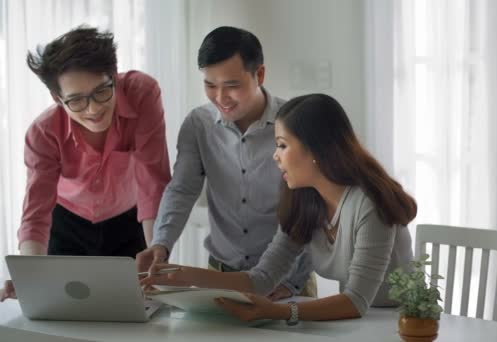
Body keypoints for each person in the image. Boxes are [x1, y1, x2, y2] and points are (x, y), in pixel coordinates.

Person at [141, 93, 417, 323]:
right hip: (353, 323)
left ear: (316, 151)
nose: (275, 156)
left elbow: (356, 301)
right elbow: (261, 279)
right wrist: (181, 276)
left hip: (402, 323)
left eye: (282, 146)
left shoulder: (368, 204)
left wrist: (281, 312)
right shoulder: (305, 201)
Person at [135, 26, 315, 300]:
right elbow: (182, 189)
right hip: (220, 276)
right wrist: (162, 243)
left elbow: (311, 205)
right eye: (210, 85)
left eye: (232, 86)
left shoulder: (295, 122)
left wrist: (292, 282)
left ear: (260, 75)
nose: (220, 98)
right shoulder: (198, 124)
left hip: (287, 281)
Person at [0, 26, 171, 301]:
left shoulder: (142, 93)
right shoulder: (43, 133)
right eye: (76, 101)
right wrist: (28, 275)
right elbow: (36, 210)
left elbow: (153, 179)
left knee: (137, 308)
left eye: (102, 91)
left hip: (129, 221)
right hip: (67, 224)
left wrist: (158, 251)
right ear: (58, 99)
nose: (93, 109)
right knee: (62, 310)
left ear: (114, 77)